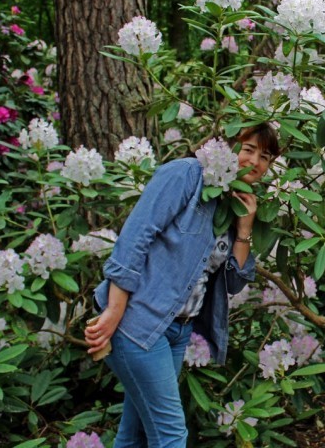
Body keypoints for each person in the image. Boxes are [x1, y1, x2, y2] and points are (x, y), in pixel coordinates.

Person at [84, 123, 279, 447]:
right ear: (229, 147)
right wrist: (114, 310)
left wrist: (244, 227)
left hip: (177, 332)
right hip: (138, 322)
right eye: (248, 149)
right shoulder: (186, 175)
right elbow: (135, 238)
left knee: (135, 435)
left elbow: (233, 283)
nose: (256, 162)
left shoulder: (236, 205)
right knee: (171, 436)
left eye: (266, 156)